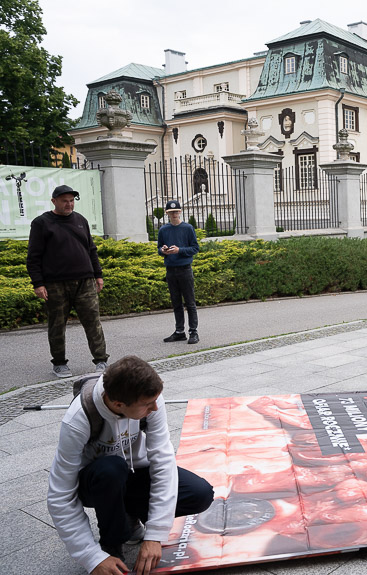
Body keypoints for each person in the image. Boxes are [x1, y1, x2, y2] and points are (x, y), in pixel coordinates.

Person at [47, 355, 214, 575]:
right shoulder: (77, 420)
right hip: (96, 483)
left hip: (133, 473)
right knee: (112, 469)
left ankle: (128, 514)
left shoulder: (150, 399)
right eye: (147, 405)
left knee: (200, 493)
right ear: (118, 404)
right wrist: (92, 558)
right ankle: (112, 545)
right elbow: (60, 496)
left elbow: (163, 462)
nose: (155, 407)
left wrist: (155, 533)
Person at [26, 184, 109, 379]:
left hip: (85, 281)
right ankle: (59, 363)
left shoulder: (81, 220)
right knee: (57, 324)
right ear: (54, 201)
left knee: (93, 321)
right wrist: (38, 283)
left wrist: (98, 274)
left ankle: (101, 360)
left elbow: (91, 249)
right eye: (65, 201)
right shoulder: (41, 223)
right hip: (55, 283)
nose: (69, 204)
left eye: (71, 200)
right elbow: (33, 256)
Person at [158, 200, 200, 345]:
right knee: (176, 302)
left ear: (180, 212)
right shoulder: (163, 230)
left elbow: (195, 248)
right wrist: (163, 251)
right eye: (171, 213)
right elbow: (159, 248)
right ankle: (179, 332)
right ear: (167, 214)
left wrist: (179, 250)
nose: (174, 215)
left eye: (176, 212)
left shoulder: (188, 228)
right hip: (170, 270)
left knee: (190, 302)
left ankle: (193, 331)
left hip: (185, 269)